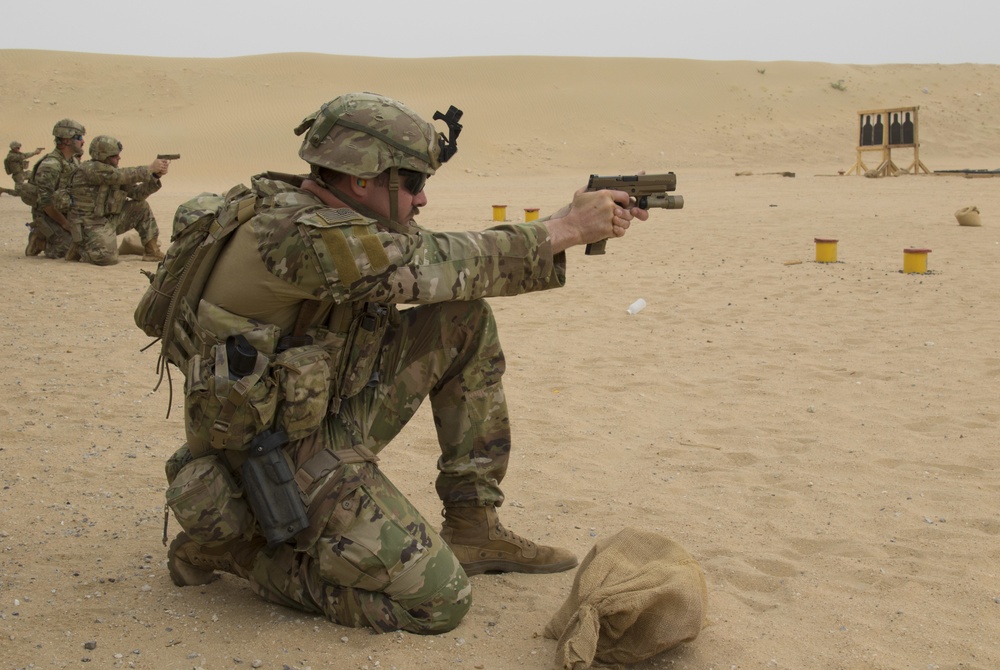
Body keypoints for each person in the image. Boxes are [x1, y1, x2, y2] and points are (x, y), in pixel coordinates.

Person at [162, 92, 647, 635]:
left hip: (316, 415)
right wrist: (571, 230)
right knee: (437, 603)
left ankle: (473, 525)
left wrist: (565, 219)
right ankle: (236, 553)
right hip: (271, 458)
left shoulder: (323, 216)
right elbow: (433, 262)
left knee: (461, 319)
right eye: (413, 183)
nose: (420, 201)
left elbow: (443, 252)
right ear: (365, 180)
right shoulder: (300, 237)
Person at [65, 135, 168, 264]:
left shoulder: (114, 172)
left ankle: (152, 251)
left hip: (108, 220)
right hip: (89, 224)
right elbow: (118, 176)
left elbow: (137, 194)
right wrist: (149, 169)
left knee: (141, 207)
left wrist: (154, 176)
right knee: (107, 258)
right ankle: (81, 248)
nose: (119, 158)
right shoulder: (90, 169)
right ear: (103, 156)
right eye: (114, 156)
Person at [25, 119, 86, 258]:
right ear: (66, 141)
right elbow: (45, 203)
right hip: (49, 217)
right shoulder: (51, 165)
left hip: (67, 213)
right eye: (79, 138)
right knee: (69, 251)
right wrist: (65, 224)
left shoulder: (73, 161)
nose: (83, 142)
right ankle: (39, 239)